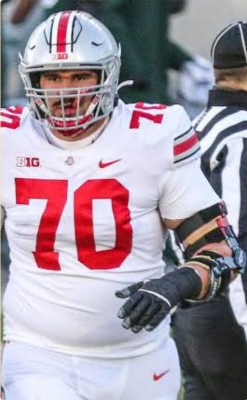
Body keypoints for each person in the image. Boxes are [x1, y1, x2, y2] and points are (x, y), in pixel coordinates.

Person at [0, 11, 245, 400]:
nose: (65, 92)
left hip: (140, 359)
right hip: (38, 355)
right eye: (53, 77)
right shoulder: (8, 138)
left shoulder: (152, 137)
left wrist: (173, 284)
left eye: (80, 76)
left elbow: (222, 252)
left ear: (108, 76)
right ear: (33, 79)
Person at [172, 21, 247, 400]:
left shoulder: (194, 130)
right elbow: (235, 240)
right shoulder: (240, 135)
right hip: (231, 313)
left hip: (191, 317)